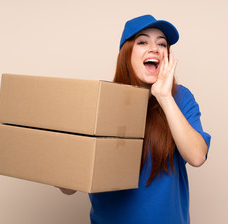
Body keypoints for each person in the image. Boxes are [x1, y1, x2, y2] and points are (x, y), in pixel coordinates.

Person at [58, 14, 211, 224]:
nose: (154, 48)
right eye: (142, 42)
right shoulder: (102, 101)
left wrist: (164, 97)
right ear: (126, 53)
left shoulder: (180, 98)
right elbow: (68, 187)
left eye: (161, 44)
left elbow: (197, 157)